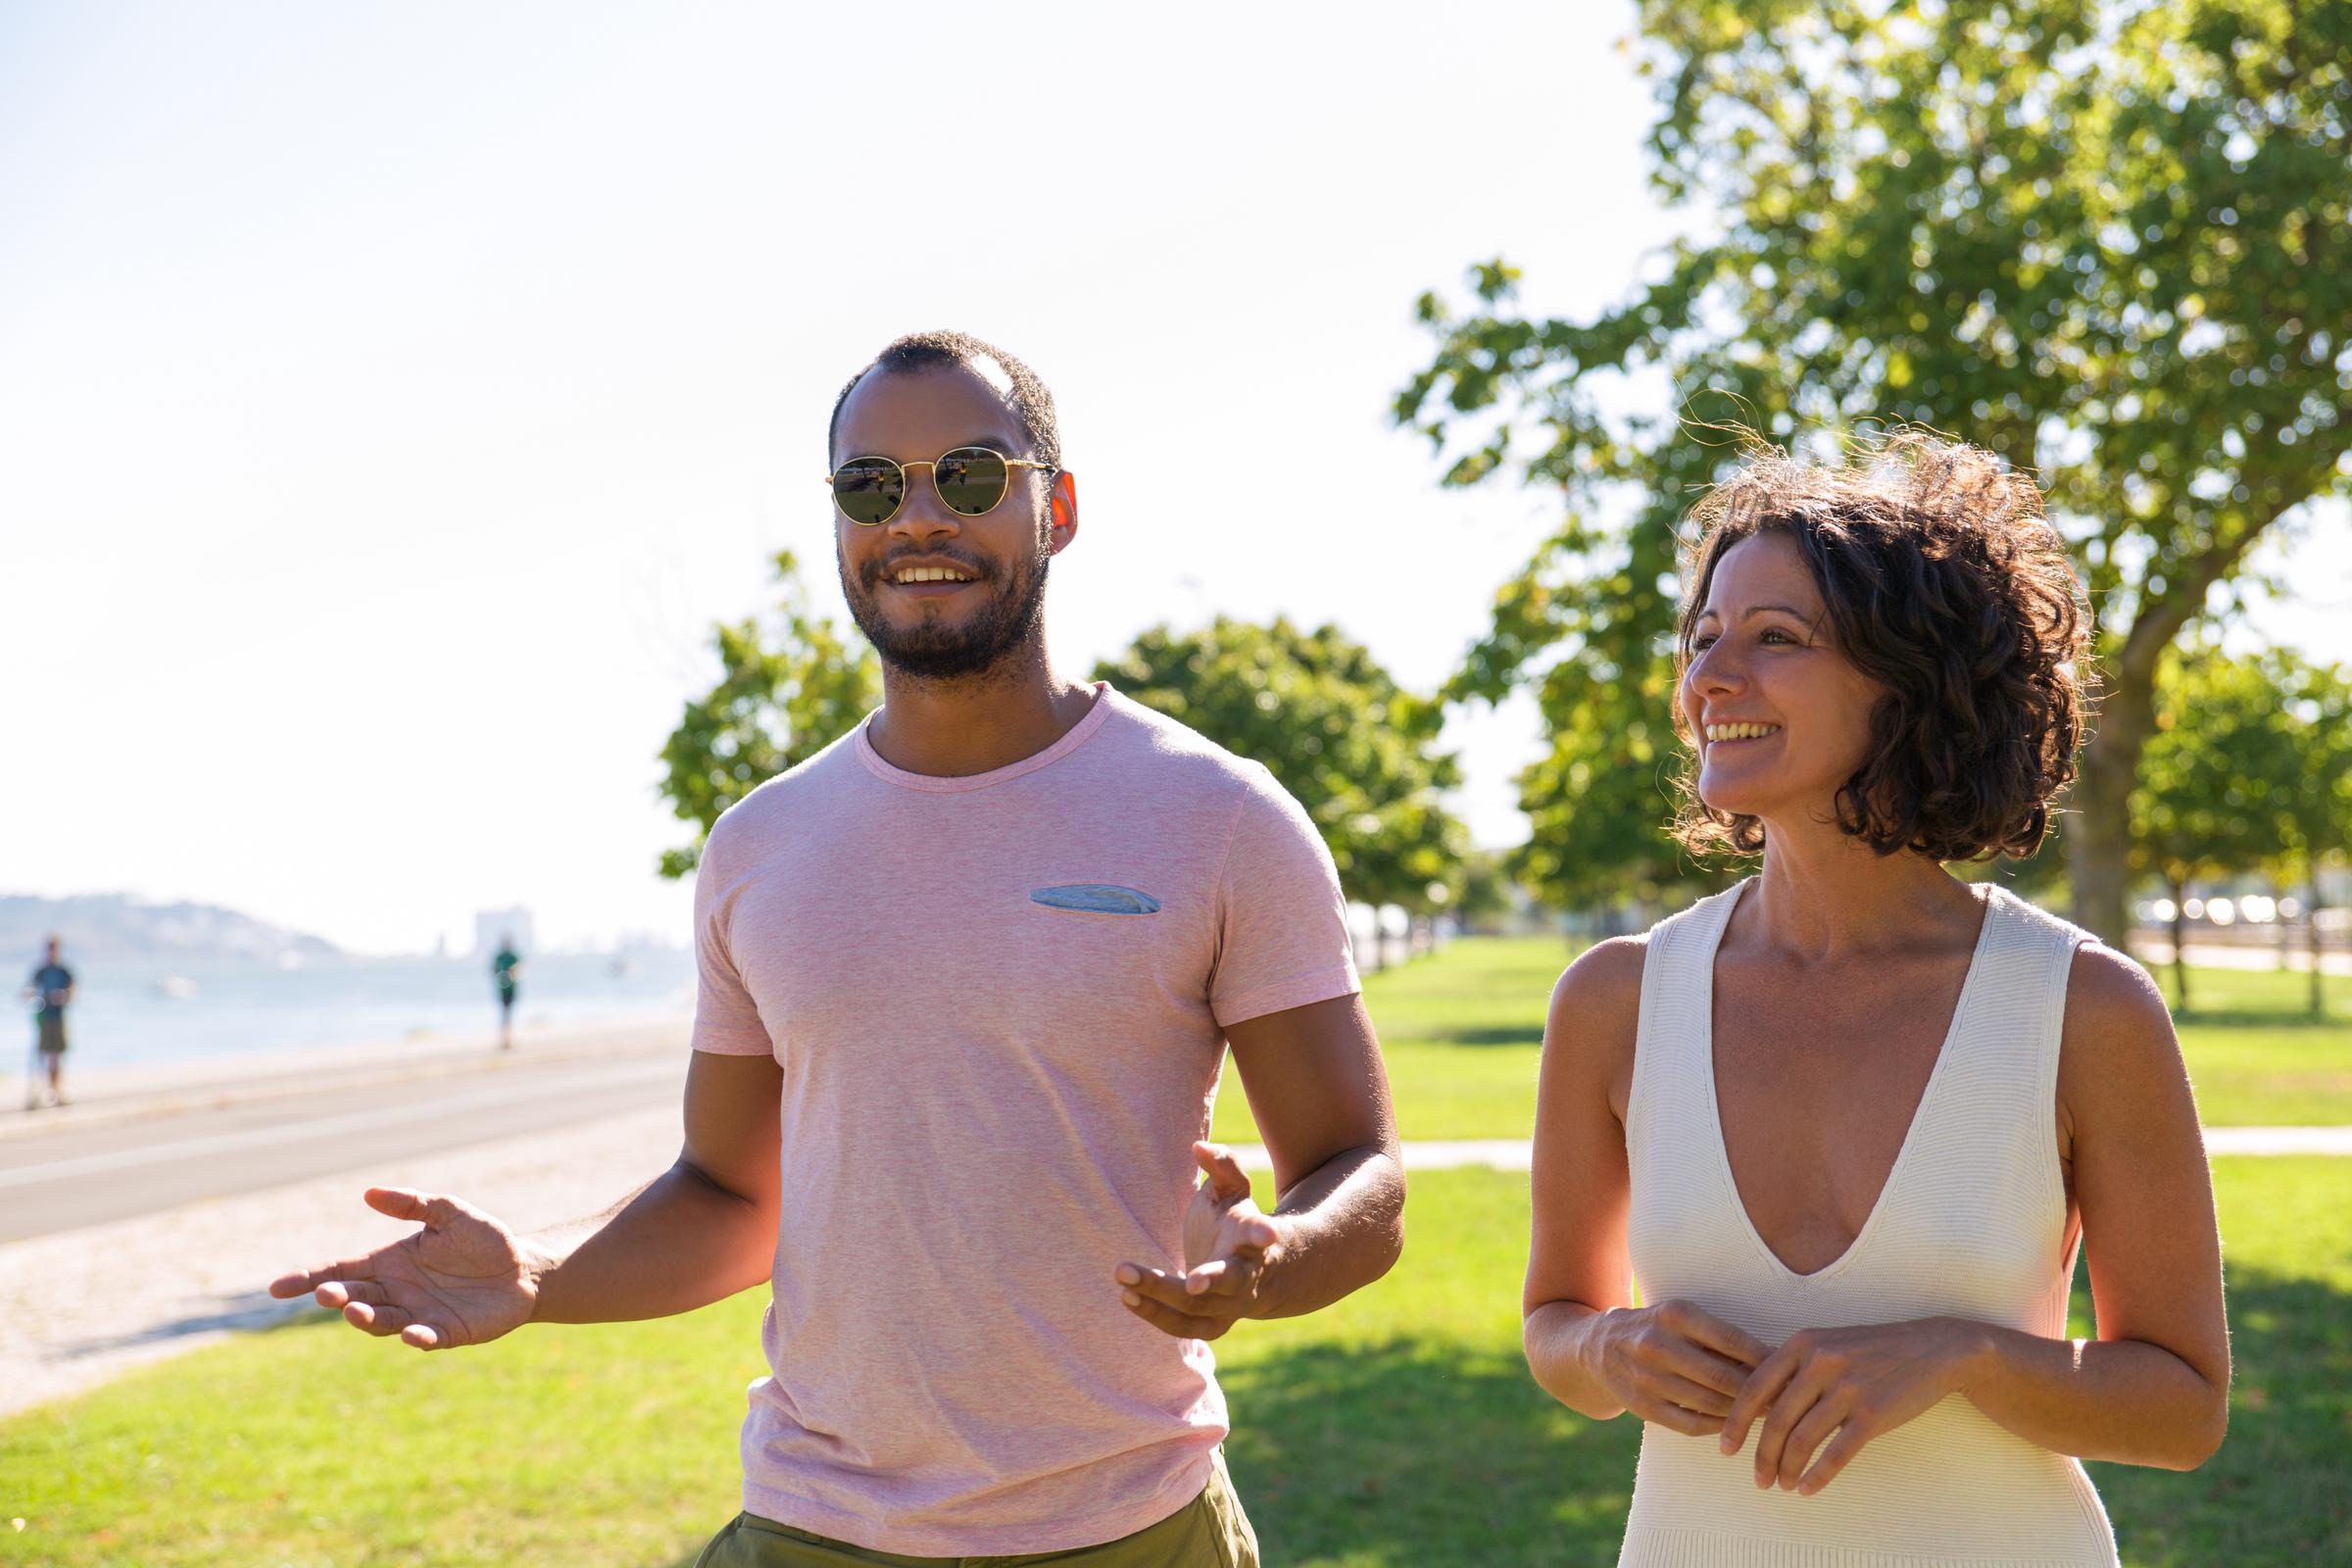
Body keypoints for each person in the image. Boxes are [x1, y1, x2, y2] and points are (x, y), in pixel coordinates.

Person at [270, 330, 1404, 1567]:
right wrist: (539, 1271)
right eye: (872, 486)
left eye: (969, 476)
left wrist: (1280, 1258)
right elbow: (734, 1196)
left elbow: (1359, 1167)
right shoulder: (761, 845)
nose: (917, 517)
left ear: (1057, 507)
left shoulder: (1222, 818)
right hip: (815, 1525)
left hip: (1130, 1525)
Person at [1522, 433, 2228, 1565]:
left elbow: (2184, 1406)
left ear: (1911, 680)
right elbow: (1555, 1322)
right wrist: (1610, 1352)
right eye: (1704, 639)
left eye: (1776, 638)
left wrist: (1963, 1356)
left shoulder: (2083, 1010)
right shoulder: (1616, 999)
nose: (1710, 677)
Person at [23, 935, 74, 1109]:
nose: (51, 952)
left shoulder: (63, 971)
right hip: (43, 1017)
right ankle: (40, 1093)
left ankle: (56, 1092)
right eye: (49, 948)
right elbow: (29, 990)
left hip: (58, 1017)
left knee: (56, 1055)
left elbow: (72, 991)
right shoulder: (41, 971)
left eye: (54, 949)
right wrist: (32, 996)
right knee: (42, 1054)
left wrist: (62, 997)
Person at [491, 935, 522, 1050]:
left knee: (508, 1015)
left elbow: (519, 970)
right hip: (502, 990)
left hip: (512, 990)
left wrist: (513, 973)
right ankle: (504, 1040)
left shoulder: (513, 956)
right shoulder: (500, 957)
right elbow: (493, 970)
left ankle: (508, 1040)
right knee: (504, 1015)